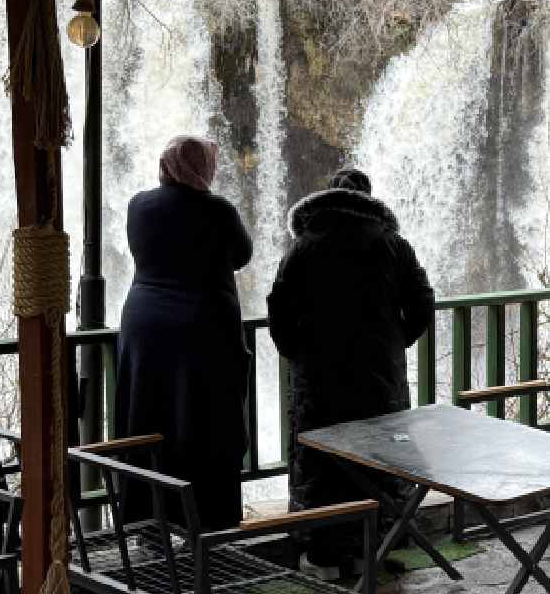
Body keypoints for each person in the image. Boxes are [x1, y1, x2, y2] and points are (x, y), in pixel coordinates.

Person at [268, 168, 435, 579]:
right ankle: (372, 551)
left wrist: (298, 353)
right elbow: (422, 301)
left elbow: (280, 308)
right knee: (377, 460)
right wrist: (395, 342)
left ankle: (323, 557)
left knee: (321, 463)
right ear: (369, 201)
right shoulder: (394, 245)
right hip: (379, 378)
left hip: (319, 379)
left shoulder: (304, 247)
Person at [115, 135, 253, 531]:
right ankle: (209, 521)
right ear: (202, 167)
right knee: (207, 420)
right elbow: (242, 254)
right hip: (203, 327)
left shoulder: (138, 205)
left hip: (144, 326)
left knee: (147, 414)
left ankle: (146, 520)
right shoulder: (218, 210)